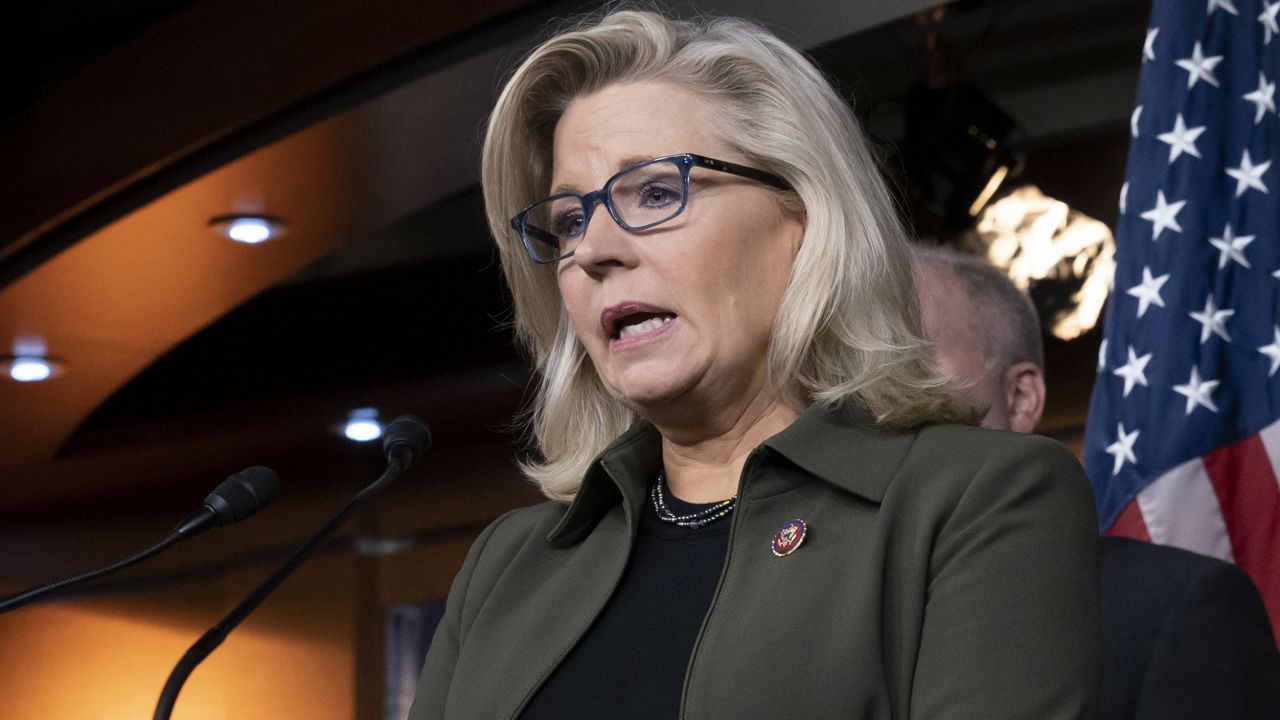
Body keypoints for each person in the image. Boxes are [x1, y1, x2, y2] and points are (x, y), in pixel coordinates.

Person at [409, 10, 1101, 719]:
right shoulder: (506, 566)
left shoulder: (978, 499)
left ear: (802, 217)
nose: (592, 251)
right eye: (570, 221)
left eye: (653, 192)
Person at [912, 245, 1280, 720]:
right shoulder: (811, 611)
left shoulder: (1172, 611)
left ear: (1020, 397)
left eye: (905, 357)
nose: (866, 395)